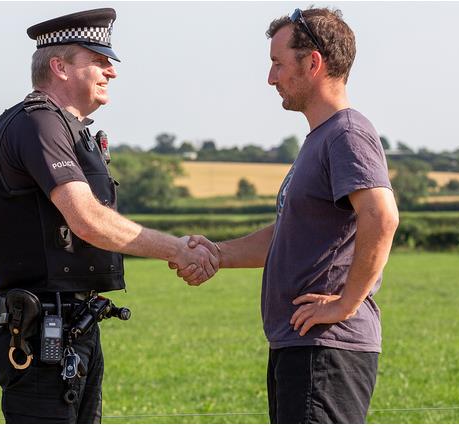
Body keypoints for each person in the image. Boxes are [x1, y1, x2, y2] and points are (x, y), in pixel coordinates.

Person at [0, 8, 217, 423]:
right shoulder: (38, 124)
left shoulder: (66, 127)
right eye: (99, 61)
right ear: (60, 67)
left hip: (70, 326)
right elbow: (87, 218)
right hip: (41, 334)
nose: (112, 71)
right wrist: (177, 249)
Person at [174, 7, 399, 424]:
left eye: (278, 64)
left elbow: (381, 216)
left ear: (313, 62)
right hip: (300, 345)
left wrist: (346, 304)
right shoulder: (323, 138)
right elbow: (290, 233)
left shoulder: (347, 134)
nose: (271, 78)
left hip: (326, 347)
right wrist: (217, 254)